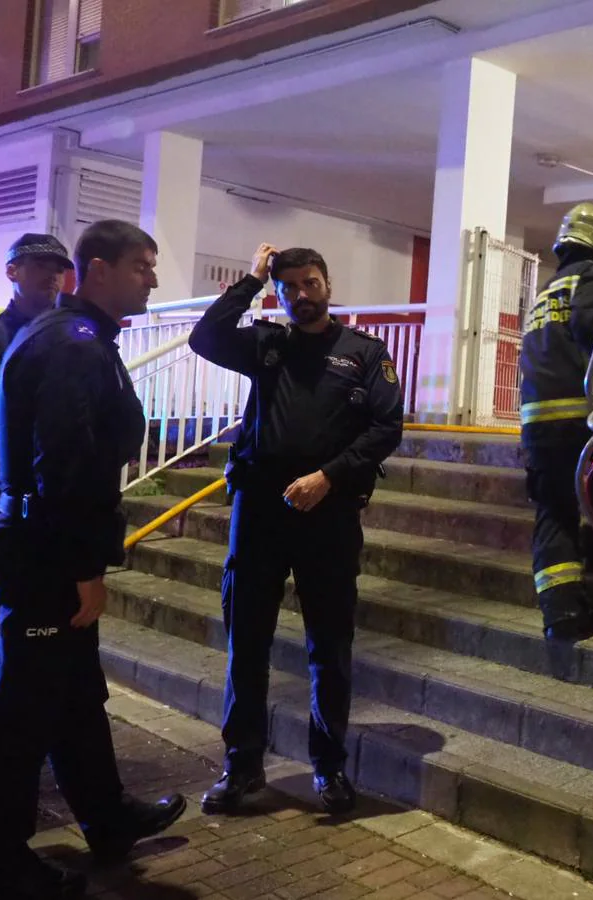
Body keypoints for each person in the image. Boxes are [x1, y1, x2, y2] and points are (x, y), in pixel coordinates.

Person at [0, 220, 187, 899]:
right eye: (144, 267)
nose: (155, 280)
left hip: (49, 545)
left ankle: (107, 820)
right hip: (47, 555)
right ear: (99, 270)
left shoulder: (79, 338)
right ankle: (4, 856)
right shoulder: (73, 345)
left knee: (75, 696)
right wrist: (84, 570)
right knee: (24, 709)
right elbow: (66, 467)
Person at [189, 244, 403, 815]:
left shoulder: (364, 354)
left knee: (328, 648)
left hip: (327, 517)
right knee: (246, 645)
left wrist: (330, 478)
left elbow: (386, 427)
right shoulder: (266, 344)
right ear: (277, 293)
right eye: (288, 287)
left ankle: (329, 769)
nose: (301, 295)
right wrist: (250, 278)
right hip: (259, 514)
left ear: (327, 284)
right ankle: (242, 767)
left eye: (310, 283)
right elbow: (204, 338)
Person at [520, 202, 593, 642]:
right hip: (581, 415)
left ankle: (561, 611)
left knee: (555, 511)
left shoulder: (549, 289)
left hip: (538, 420)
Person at [0, 233, 74, 358]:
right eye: (41, 266)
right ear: (12, 272)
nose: (53, 276)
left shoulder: (74, 334)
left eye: (59, 270)